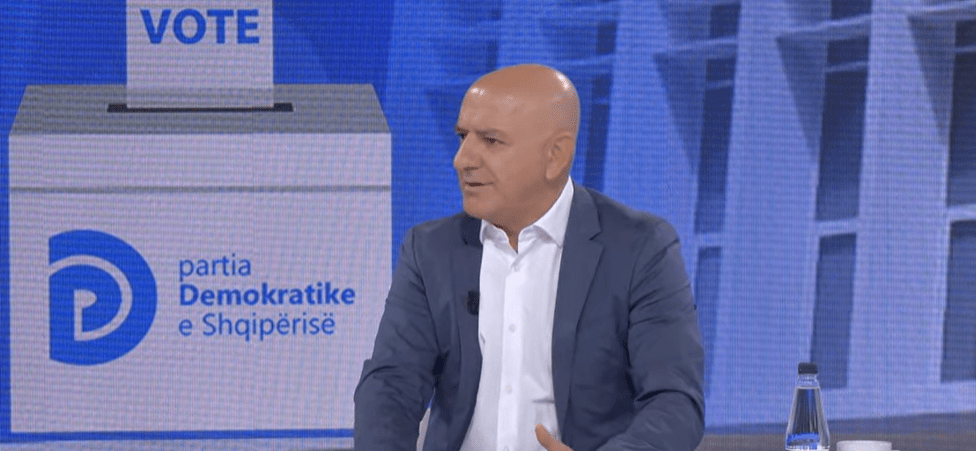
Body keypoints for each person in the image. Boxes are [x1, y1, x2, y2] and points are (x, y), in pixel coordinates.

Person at [354, 64, 704, 451]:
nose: (462, 159)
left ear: (555, 156)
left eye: (491, 141)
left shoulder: (640, 248)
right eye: (462, 137)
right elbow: (392, 384)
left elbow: (675, 402)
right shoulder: (430, 249)